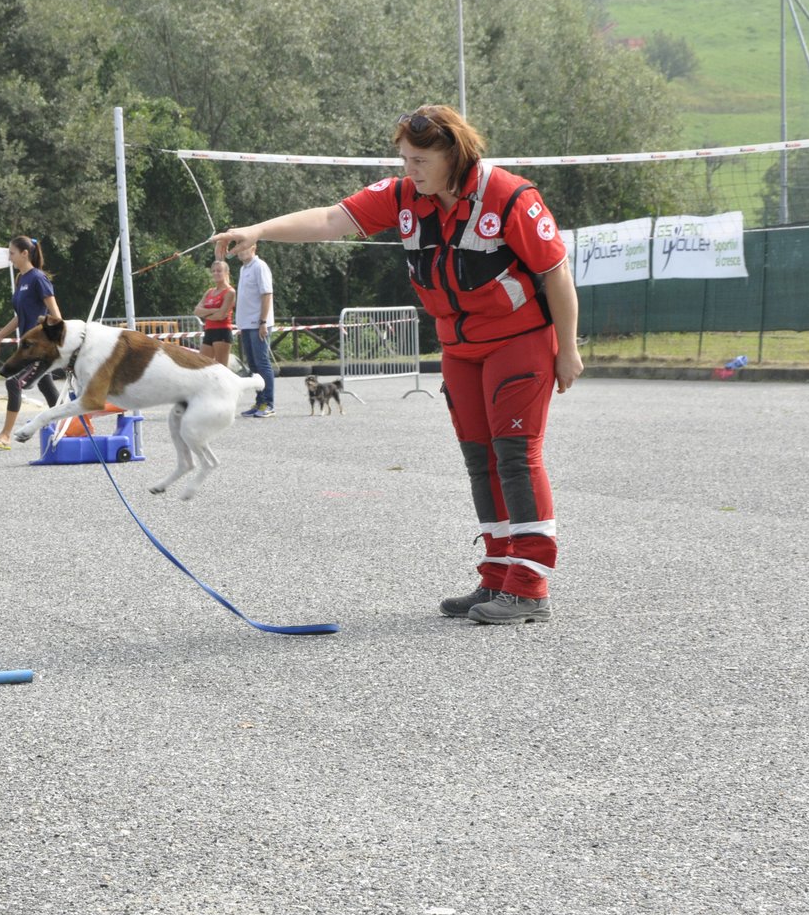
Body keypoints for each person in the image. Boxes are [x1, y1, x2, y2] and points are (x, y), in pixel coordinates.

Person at [211, 105, 583, 625]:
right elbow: (330, 220)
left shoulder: (511, 197)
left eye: (421, 160)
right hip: (459, 349)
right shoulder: (403, 196)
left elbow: (556, 275)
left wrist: (567, 349)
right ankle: (498, 574)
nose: (410, 169)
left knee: (516, 456)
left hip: (518, 341)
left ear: (454, 153)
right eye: (405, 159)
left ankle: (530, 587)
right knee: (480, 459)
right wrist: (259, 230)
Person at [0, 235, 62, 449]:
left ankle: (5, 435)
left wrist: (51, 342)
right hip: (27, 347)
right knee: (47, 387)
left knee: (12, 382)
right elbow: (20, 315)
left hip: (40, 348)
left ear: (25, 253)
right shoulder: (21, 279)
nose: (9, 257)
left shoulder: (38, 278)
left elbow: (55, 316)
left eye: (12, 253)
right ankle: (70, 427)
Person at [232, 239, 275, 417]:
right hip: (247, 324)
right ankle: (259, 402)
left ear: (253, 248)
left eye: (244, 247)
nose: (241, 251)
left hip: (258, 323)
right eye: (239, 248)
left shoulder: (260, 266)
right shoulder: (244, 269)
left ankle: (268, 403)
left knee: (262, 363)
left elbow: (266, 294)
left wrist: (263, 322)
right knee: (253, 365)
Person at [191, 257, 236, 368]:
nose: (216, 273)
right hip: (209, 331)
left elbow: (221, 316)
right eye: (214, 271)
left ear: (226, 273)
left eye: (219, 271)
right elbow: (196, 311)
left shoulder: (230, 291)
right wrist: (213, 311)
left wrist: (205, 314)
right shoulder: (210, 291)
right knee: (202, 366)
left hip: (222, 331)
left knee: (221, 368)